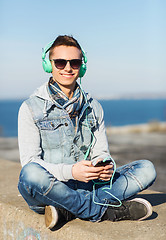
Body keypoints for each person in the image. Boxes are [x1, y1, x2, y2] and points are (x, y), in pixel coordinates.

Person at [18, 35, 156, 229]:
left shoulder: (94, 107)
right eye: (60, 62)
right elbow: (30, 162)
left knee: (146, 168)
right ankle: (101, 210)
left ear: (82, 67)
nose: (68, 68)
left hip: (89, 185)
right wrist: (71, 171)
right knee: (30, 174)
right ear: (49, 65)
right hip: (52, 189)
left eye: (74, 62)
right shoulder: (30, 108)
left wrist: (103, 165)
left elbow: (101, 150)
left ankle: (68, 210)